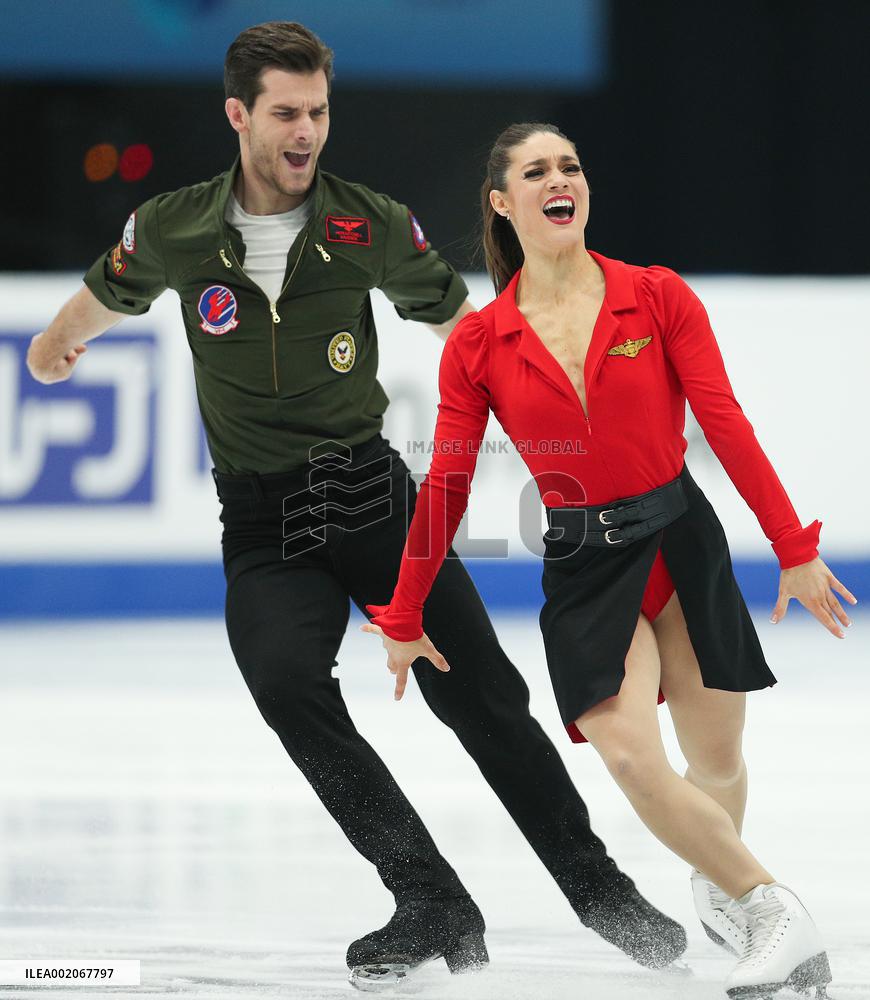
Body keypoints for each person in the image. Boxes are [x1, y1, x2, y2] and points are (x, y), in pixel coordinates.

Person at [25, 25, 688, 990]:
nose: (307, 132)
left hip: (374, 498)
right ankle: (429, 897)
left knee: (487, 699)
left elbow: (465, 323)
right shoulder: (174, 224)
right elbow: (105, 291)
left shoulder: (366, 221)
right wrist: (55, 345)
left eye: (319, 112)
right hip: (261, 524)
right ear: (238, 114)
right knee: (284, 682)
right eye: (287, 113)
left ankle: (602, 893)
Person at [363, 121, 857, 1000]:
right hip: (588, 565)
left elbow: (725, 424)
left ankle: (729, 889)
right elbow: (444, 484)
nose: (561, 180)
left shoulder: (655, 296)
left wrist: (793, 549)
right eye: (537, 171)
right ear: (503, 203)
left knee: (715, 761)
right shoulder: (479, 345)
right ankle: (775, 910)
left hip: (680, 539)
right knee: (628, 755)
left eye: (572, 166)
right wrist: (401, 616)